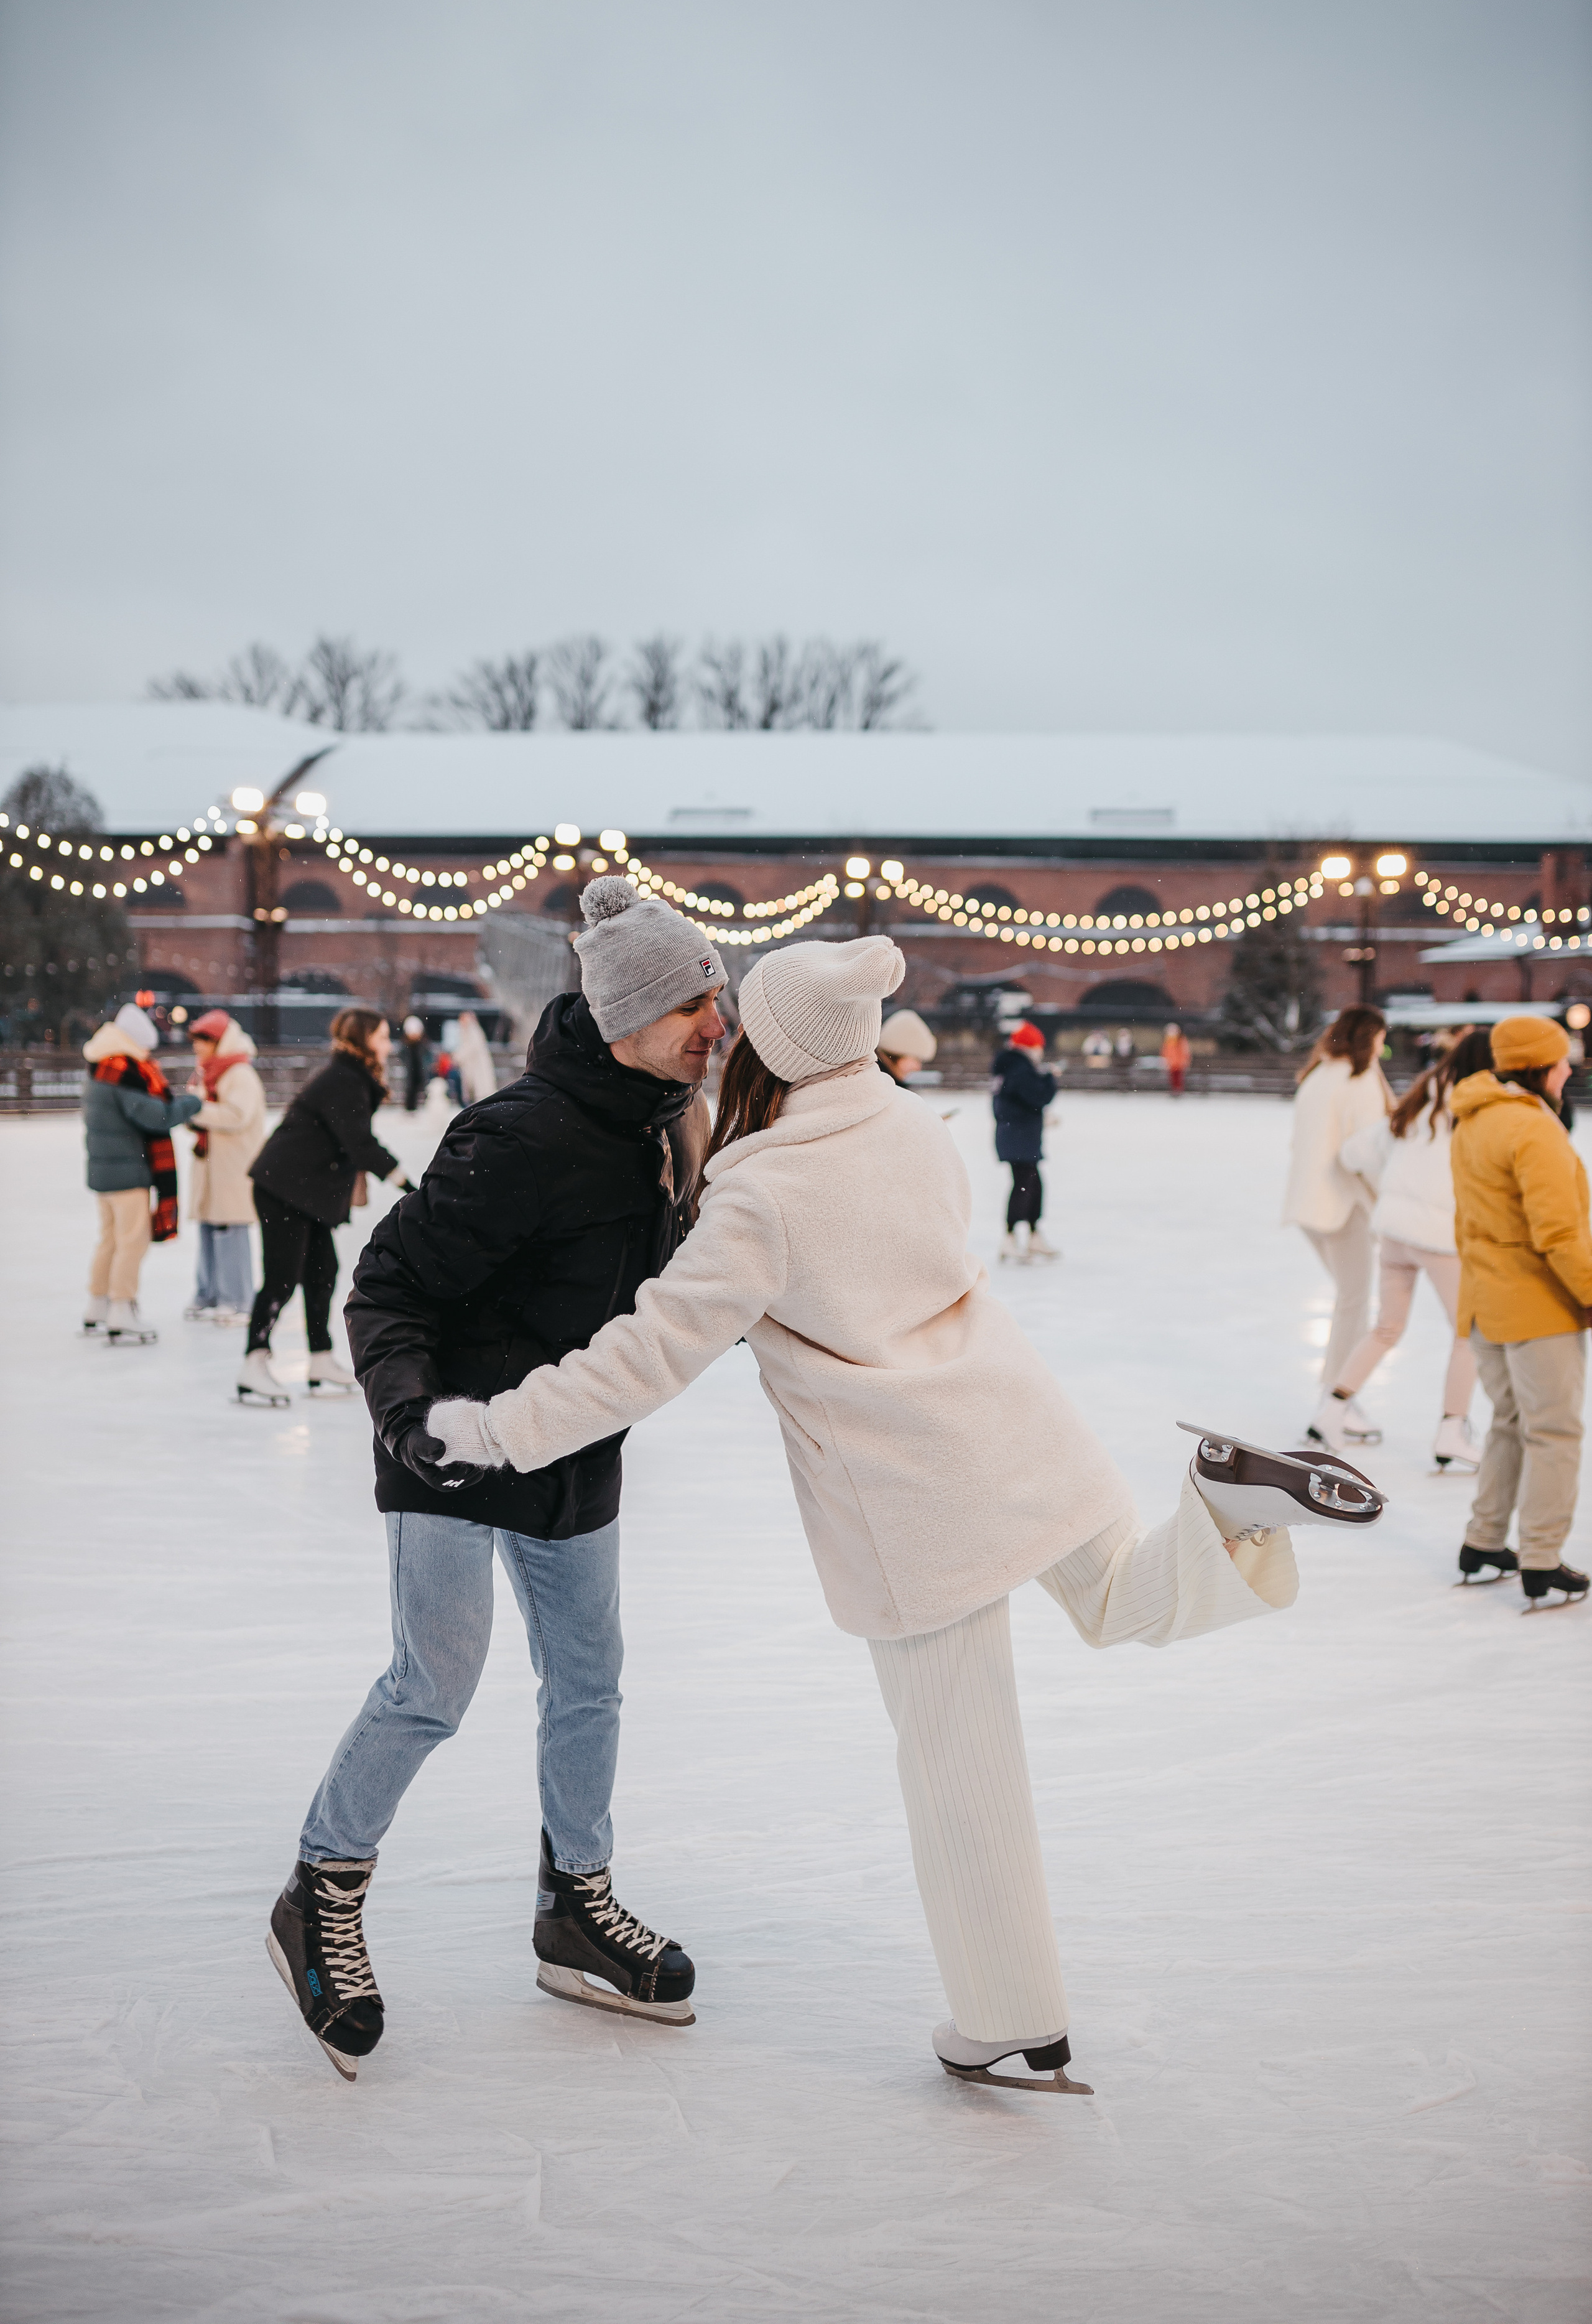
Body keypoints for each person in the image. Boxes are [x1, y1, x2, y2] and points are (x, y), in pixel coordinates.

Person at [427, 937, 1348, 2093]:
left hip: (912, 1498)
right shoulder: (911, 1125)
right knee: (1123, 1600)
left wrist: (495, 1429)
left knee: (961, 1768)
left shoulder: (764, 1192)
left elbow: (645, 1357)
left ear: (774, 1051)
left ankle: (1011, 2017)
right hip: (1014, 1421)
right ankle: (1224, 1507)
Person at [264, 878, 728, 2081]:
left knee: (590, 1683)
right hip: (457, 1444)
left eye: (714, 996)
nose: (714, 1022)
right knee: (436, 1682)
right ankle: (321, 1890)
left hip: (571, 1450)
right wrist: (413, 1417)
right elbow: (386, 1286)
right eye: (692, 1002)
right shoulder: (520, 1136)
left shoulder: (664, 1124)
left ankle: (575, 1905)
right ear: (626, 1013)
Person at [1450, 1015, 1591, 1606]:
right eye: (1562, 1063)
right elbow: (1559, 1233)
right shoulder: (1533, 1131)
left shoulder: (1472, 1120)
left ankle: (1484, 1542)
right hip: (1537, 1308)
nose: (1569, 1071)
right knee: (1553, 1432)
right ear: (1538, 1067)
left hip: (1485, 1303)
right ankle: (1541, 1557)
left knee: (1509, 1424)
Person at [1311, 1028, 1491, 1467]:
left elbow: (1356, 1152)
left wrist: (1394, 1181)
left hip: (1394, 1231)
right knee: (1468, 1333)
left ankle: (1332, 1409)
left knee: (1387, 1327)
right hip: (1439, 1235)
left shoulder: (1421, 1099)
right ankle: (1453, 1428)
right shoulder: (1482, 1105)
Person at [238, 1010, 412, 1405]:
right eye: (383, 1037)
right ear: (365, 1040)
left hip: (304, 1190)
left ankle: (319, 1358)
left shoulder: (351, 1077)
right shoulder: (345, 1080)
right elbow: (360, 1144)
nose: (388, 1045)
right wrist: (409, 1185)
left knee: (322, 1272)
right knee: (282, 1278)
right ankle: (254, 1361)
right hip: (284, 1187)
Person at [1282, 1006, 1390, 1445]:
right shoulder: (1357, 1079)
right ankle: (1337, 1399)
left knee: (1351, 1299)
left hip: (1309, 1204)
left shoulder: (1317, 1075)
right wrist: (1390, 1197)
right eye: (1382, 1039)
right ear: (1370, 1038)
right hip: (1343, 1205)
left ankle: (1338, 1395)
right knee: (1354, 1300)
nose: (1384, 1047)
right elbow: (1365, 1152)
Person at [80, 1002, 203, 1344]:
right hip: (127, 1174)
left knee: (110, 1240)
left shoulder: (100, 1066)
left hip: (104, 1171)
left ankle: (98, 1305)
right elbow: (157, 1117)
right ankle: (122, 1308)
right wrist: (193, 1103)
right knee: (132, 1242)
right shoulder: (125, 1071)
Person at [183, 1009, 267, 1324]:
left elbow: (236, 1116)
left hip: (233, 1167)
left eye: (203, 1041)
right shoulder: (209, 1072)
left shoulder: (239, 1074)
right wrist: (194, 1115)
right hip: (212, 1165)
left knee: (230, 1229)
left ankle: (238, 1299)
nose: (197, 1047)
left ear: (219, 1042)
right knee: (209, 1227)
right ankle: (210, 1294)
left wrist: (196, 1109)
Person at [992, 1018, 1058, 1263]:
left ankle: (1032, 1234)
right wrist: (1050, 1078)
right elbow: (1038, 1097)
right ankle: (1010, 1237)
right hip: (1018, 1138)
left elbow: (1018, 1103)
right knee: (1024, 1186)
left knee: (1033, 1185)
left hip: (1018, 1136)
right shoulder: (1020, 1068)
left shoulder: (1012, 1067)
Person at [877, 1008, 937, 1084]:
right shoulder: (878, 1085)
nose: (918, 1068)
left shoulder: (885, 1082)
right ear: (897, 1053)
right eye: (916, 1059)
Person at [452, 1008, 498, 1104]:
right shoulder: (466, 1031)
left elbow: (472, 1048)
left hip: (478, 1067)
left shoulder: (473, 1030)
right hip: (472, 1067)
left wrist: (457, 1057)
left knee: (481, 1091)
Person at [399, 1015, 432, 1112]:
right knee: (410, 1089)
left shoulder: (423, 1044)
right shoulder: (406, 1045)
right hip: (411, 1071)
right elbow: (403, 1056)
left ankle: (416, 1107)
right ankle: (410, 1108)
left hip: (418, 1070)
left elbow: (427, 1056)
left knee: (418, 1088)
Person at [1160, 1022, 1191, 1096]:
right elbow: (1165, 1051)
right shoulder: (1168, 1041)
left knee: (1178, 1078)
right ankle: (1175, 1090)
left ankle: (1177, 1090)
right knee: (1173, 1078)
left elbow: (1185, 1051)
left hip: (1179, 1063)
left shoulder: (1180, 1040)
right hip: (1172, 1063)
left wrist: (1185, 1060)